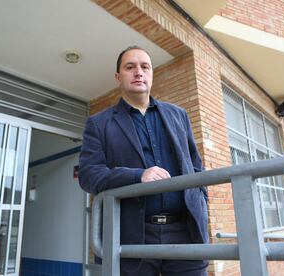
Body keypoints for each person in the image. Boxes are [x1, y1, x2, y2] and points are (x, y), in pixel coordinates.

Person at [79, 45, 208, 275]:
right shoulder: (99, 124)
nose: (138, 72)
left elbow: (196, 165)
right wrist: (138, 176)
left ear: (151, 75)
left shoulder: (179, 115)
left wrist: (201, 199)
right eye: (130, 67)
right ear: (118, 77)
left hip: (185, 231)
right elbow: (89, 175)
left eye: (145, 67)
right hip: (131, 234)